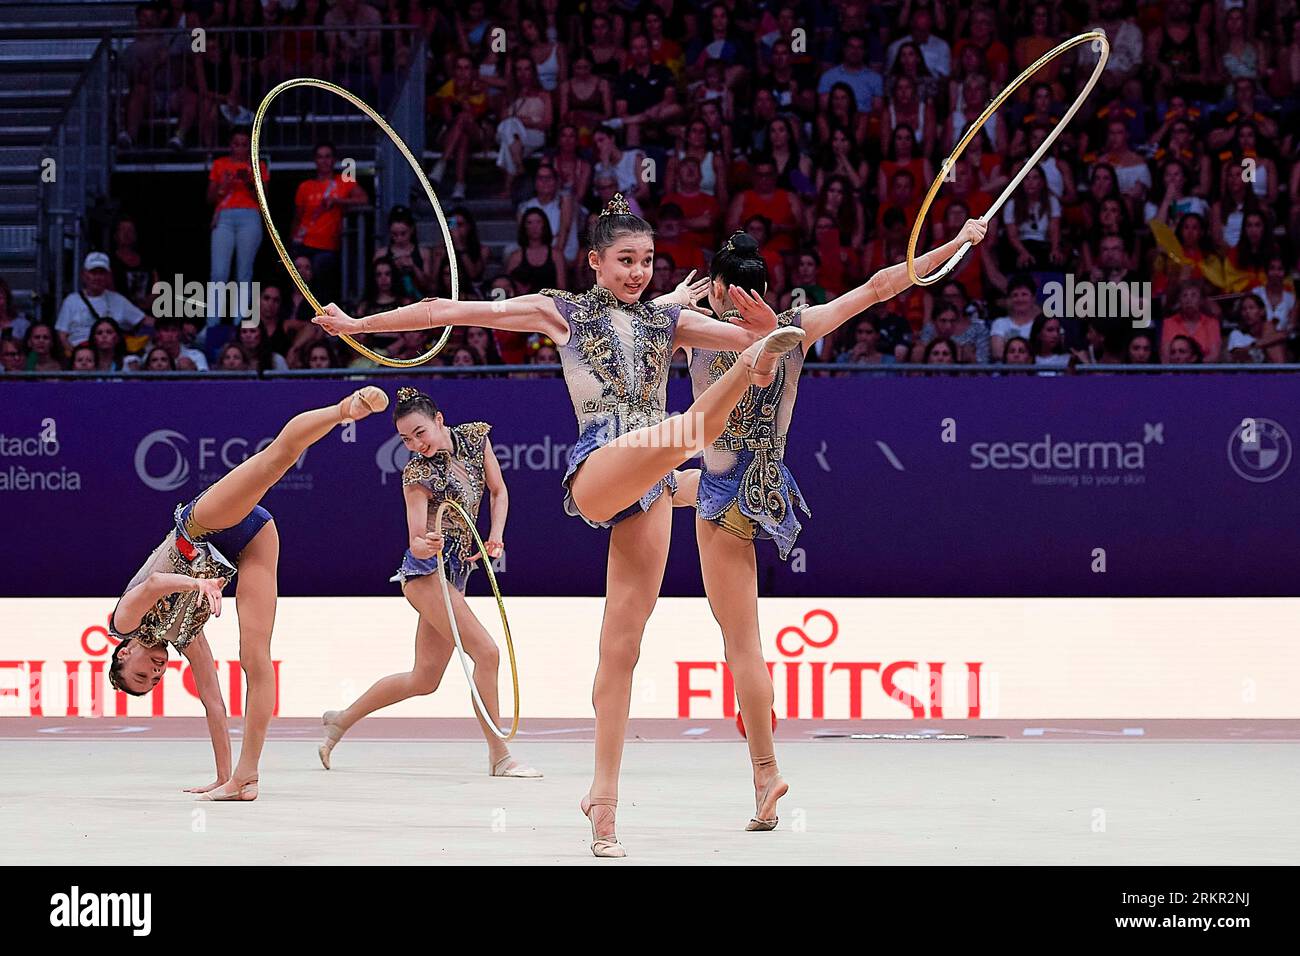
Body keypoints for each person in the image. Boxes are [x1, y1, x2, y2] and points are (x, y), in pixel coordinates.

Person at [313, 194, 808, 857]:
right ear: (596, 261)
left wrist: (767, 332)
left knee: (621, 647)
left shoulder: (669, 322)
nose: (638, 273)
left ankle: (602, 803)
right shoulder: (562, 312)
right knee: (692, 429)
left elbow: (756, 340)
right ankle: (698, 441)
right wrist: (359, 324)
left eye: (649, 261)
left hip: (654, 484)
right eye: (625, 260)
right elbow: (451, 312)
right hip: (603, 465)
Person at [671, 218, 986, 828]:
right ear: (763, 287)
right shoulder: (796, 327)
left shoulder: (698, 330)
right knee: (662, 489)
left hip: (727, 494)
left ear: (716, 289)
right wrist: (957, 244)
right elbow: (878, 286)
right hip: (753, 488)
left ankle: (766, 771)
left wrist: (678, 301)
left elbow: (619, 321)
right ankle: (763, 765)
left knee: (742, 646)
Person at [108, 388, 391, 799]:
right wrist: (220, 774)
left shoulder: (123, 623)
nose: (153, 671)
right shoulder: (187, 639)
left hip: (204, 526)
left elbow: (153, 585)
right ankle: (243, 778)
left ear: (123, 654)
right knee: (255, 659)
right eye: (153, 680)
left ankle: (343, 409)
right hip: (251, 541)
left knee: (276, 459)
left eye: (141, 672)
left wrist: (197, 583)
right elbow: (215, 706)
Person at [319, 388, 540, 778]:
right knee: (487, 653)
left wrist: (496, 537)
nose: (415, 445)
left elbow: (499, 490)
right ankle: (499, 755)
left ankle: (341, 720)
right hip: (425, 575)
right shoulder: (416, 474)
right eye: (405, 439)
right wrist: (427, 543)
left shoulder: (474, 438)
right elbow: (416, 542)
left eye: (420, 433)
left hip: (456, 573)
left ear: (439, 420)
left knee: (424, 678)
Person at [290, 141, 370, 308]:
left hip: (327, 246)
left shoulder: (344, 181)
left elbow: (364, 199)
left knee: (321, 275)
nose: (324, 161)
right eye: (320, 157)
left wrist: (338, 201)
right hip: (303, 243)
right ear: (315, 160)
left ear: (334, 160)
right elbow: (298, 218)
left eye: (328, 156)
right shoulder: (305, 186)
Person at [207, 131, 269, 325]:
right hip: (224, 217)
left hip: (249, 216)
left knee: (244, 272)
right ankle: (212, 322)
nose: (240, 148)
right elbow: (209, 198)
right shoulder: (220, 164)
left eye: (244, 144)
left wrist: (249, 181)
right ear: (230, 145)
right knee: (218, 272)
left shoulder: (258, 165)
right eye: (236, 143)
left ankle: (239, 321)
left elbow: (264, 198)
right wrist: (224, 184)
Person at [55, 253, 146, 352]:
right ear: (84, 275)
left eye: (102, 273)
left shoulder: (118, 300)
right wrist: (74, 358)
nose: (97, 277)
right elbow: (62, 335)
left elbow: (145, 321)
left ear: (108, 276)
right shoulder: (71, 301)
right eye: (93, 272)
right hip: (81, 358)